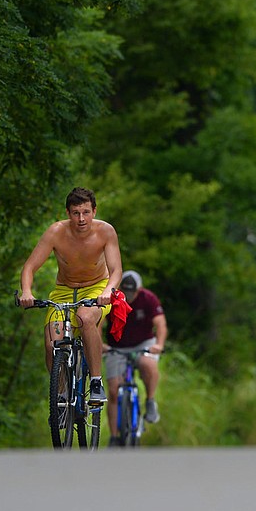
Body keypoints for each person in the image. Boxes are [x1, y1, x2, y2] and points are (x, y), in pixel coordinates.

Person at [18, 187, 123, 405]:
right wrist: (27, 291)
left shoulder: (106, 232)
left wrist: (107, 292)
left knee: (85, 318)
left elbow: (116, 270)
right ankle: (62, 395)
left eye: (85, 212)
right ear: (68, 213)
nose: (81, 218)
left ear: (94, 211)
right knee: (52, 344)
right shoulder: (56, 232)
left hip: (97, 287)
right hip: (64, 290)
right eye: (76, 213)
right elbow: (29, 267)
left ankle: (95, 381)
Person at [103, 270, 167, 445]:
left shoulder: (148, 298)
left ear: (139, 290)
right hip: (116, 346)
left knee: (148, 364)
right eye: (126, 291)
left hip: (143, 344)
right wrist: (100, 345)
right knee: (114, 390)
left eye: (133, 292)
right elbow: (98, 321)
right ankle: (114, 436)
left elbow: (160, 323)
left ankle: (150, 400)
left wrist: (159, 345)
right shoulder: (111, 298)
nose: (129, 296)